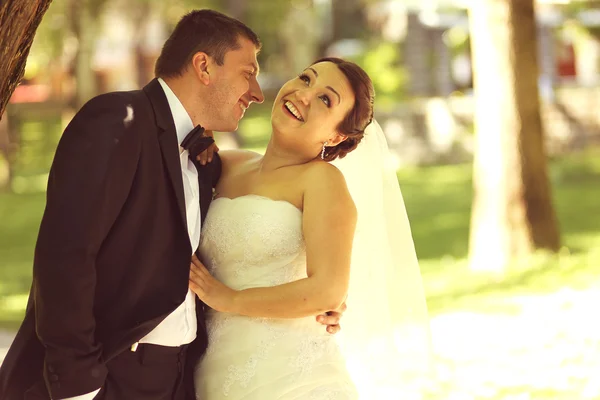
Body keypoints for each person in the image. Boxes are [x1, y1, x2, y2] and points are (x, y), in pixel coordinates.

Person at [0, 10, 343, 400]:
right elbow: (65, 256)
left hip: (183, 378)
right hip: (110, 375)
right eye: (247, 73)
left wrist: (312, 300)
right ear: (203, 67)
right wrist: (78, 383)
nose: (257, 92)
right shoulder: (118, 120)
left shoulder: (208, 162)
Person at [189, 58, 431, 399]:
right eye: (305, 79)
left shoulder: (321, 181)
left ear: (337, 134)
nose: (304, 95)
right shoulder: (227, 164)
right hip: (214, 374)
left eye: (325, 100)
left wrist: (228, 298)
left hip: (292, 378)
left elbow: (327, 292)